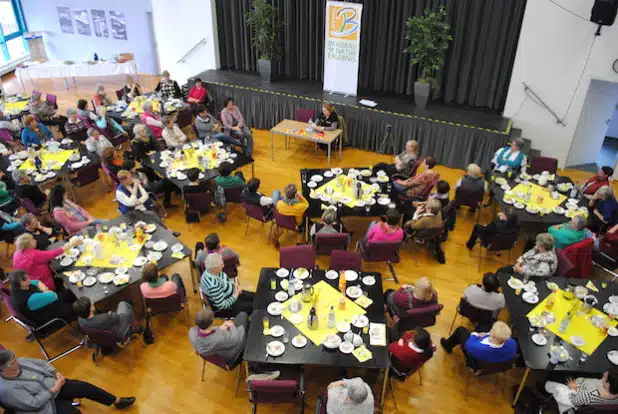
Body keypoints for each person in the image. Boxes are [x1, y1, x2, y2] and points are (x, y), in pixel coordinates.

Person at [0, 348, 136, 413]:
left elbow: (41, 363)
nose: (18, 362)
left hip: (55, 385)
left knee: (85, 387)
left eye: (16, 359)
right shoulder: (7, 389)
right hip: (45, 407)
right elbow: (33, 404)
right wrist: (55, 388)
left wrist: (55, 373)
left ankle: (116, 401)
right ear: (3, 369)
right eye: (13, 362)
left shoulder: (21, 361)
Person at [13, 233, 81, 290]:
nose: (35, 240)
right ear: (29, 243)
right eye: (33, 239)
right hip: (43, 284)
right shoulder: (34, 255)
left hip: (29, 283)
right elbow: (54, 253)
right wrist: (71, 244)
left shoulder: (17, 253)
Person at [8, 270, 76, 326]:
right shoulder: (30, 299)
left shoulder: (15, 287)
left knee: (68, 293)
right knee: (75, 306)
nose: (29, 278)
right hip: (45, 316)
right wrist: (46, 291)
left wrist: (45, 290)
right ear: (22, 282)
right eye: (27, 278)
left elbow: (37, 281)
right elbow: (54, 295)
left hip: (43, 304)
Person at [440, 321, 518, 365]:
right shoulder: (512, 343)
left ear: (492, 335)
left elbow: (469, 344)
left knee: (460, 331)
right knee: (483, 324)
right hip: (494, 360)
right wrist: (487, 334)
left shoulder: (478, 348)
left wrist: (476, 334)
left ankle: (447, 345)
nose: (490, 329)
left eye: (492, 329)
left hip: (475, 359)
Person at [545, 368, 618, 414]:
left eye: (604, 377)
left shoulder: (589, 395)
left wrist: (574, 388)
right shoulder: (614, 394)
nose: (602, 378)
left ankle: (544, 390)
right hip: (581, 385)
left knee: (557, 376)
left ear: (610, 384)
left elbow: (574, 401)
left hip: (576, 392)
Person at [73, 296, 139, 342]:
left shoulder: (80, 320)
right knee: (123, 304)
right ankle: (135, 328)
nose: (93, 304)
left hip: (102, 338)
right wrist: (110, 314)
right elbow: (118, 317)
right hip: (119, 332)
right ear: (90, 309)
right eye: (91, 304)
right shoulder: (103, 318)